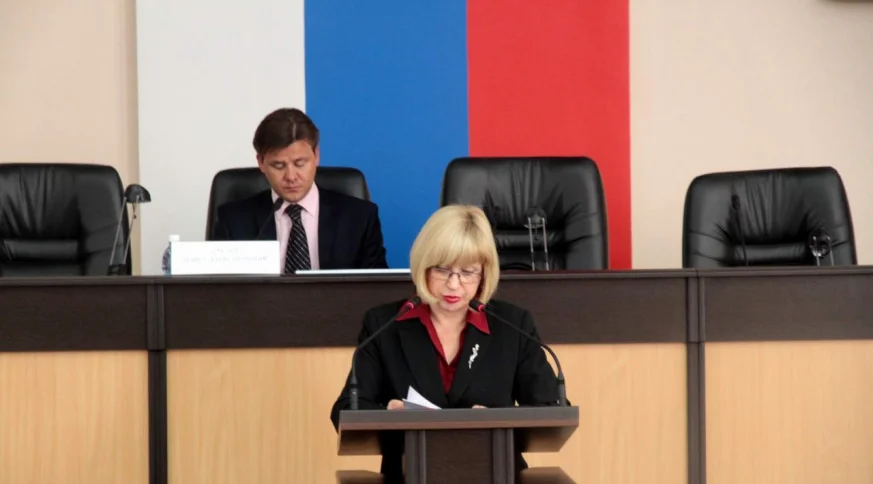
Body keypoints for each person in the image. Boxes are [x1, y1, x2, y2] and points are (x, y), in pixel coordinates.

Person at [330, 204, 561, 481]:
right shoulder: (385, 324)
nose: (454, 284)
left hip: (497, 473)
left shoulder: (513, 325)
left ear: (484, 274)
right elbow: (346, 410)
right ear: (424, 266)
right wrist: (388, 414)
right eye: (442, 270)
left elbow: (552, 410)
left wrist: (499, 419)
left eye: (468, 272)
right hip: (409, 475)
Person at [213, 108, 388, 271]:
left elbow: (376, 288)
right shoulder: (233, 222)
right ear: (261, 162)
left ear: (316, 155)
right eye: (278, 165)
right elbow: (220, 288)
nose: (291, 176)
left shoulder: (359, 218)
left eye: (300, 163)